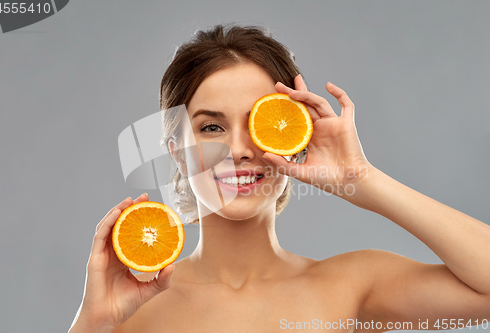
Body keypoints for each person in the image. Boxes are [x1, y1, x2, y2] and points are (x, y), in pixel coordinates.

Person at [69, 24, 490, 332]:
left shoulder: (351, 289)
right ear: (176, 151)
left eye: (259, 125)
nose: (238, 150)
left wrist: (361, 178)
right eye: (211, 127)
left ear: (293, 137)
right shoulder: (130, 310)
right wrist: (92, 323)